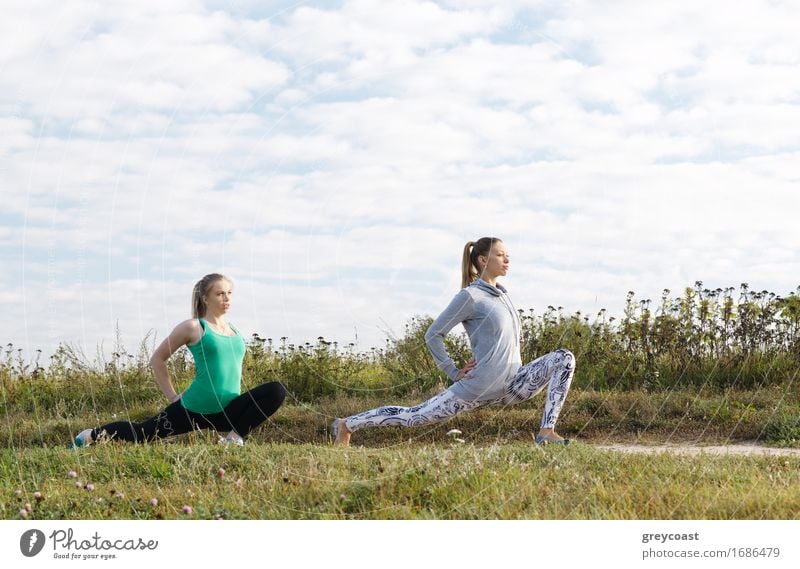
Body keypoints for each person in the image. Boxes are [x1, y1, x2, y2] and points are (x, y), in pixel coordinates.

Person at [332, 237, 575, 446]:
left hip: (512, 386)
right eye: (500, 255)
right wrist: (452, 370)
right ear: (482, 260)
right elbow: (433, 335)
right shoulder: (470, 296)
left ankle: (546, 432)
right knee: (414, 416)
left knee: (564, 358)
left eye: (507, 255)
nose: (506, 259)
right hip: (476, 389)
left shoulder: (503, 297)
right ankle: (347, 425)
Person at [69, 273, 286, 447]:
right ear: (205, 299)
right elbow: (157, 359)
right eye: (220, 294)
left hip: (227, 409)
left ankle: (233, 438)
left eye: (229, 293)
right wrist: (173, 396)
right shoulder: (194, 327)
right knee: (142, 434)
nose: (226, 298)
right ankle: (90, 435)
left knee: (276, 390)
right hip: (193, 409)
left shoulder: (235, 332)